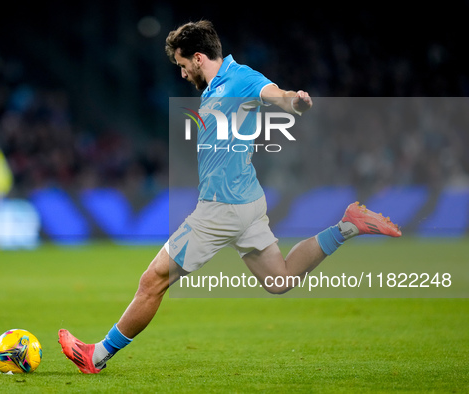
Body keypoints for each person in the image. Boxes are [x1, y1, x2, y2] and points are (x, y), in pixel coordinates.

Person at [58, 20, 401, 374]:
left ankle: (95, 355)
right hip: (247, 201)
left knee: (153, 280)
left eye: (182, 64)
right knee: (279, 280)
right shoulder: (214, 88)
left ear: (199, 57)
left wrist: (295, 102)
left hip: (221, 209)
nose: (181, 73)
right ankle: (347, 226)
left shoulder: (241, 78)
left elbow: (277, 96)